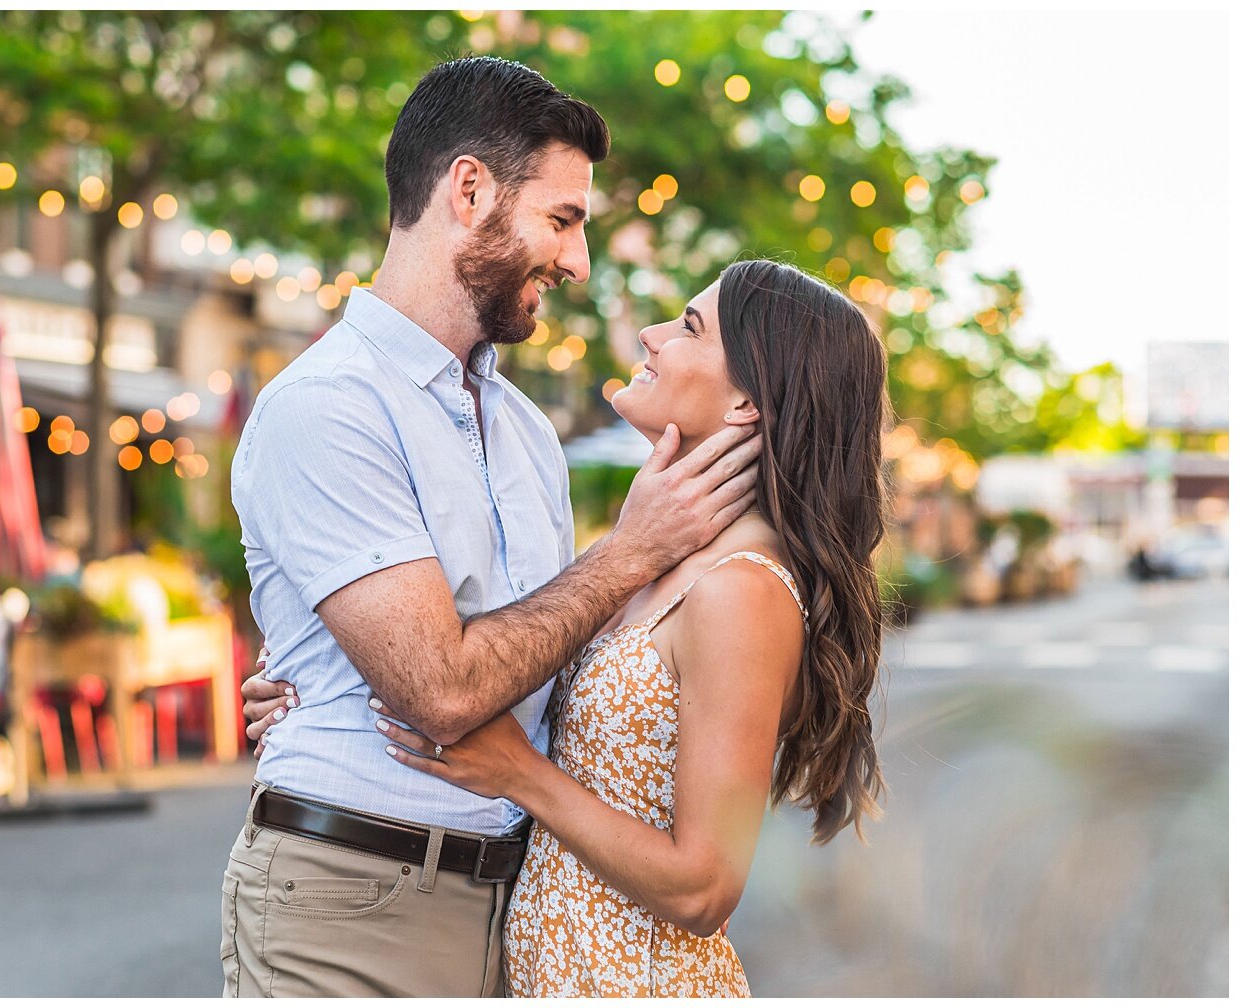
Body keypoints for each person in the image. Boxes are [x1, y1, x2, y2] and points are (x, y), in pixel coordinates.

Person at [223, 57, 762, 998]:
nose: (577, 263)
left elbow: (536, 665)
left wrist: (310, 673)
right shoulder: (326, 407)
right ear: (469, 190)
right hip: (353, 903)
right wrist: (630, 553)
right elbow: (439, 690)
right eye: (562, 220)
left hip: (514, 908)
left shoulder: (522, 430)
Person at [367, 259, 890, 996]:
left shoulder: (741, 591)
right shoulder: (656, 559)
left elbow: (704, 889)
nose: (650, 336)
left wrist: (522, 776)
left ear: (747, 401)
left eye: (688, 327)